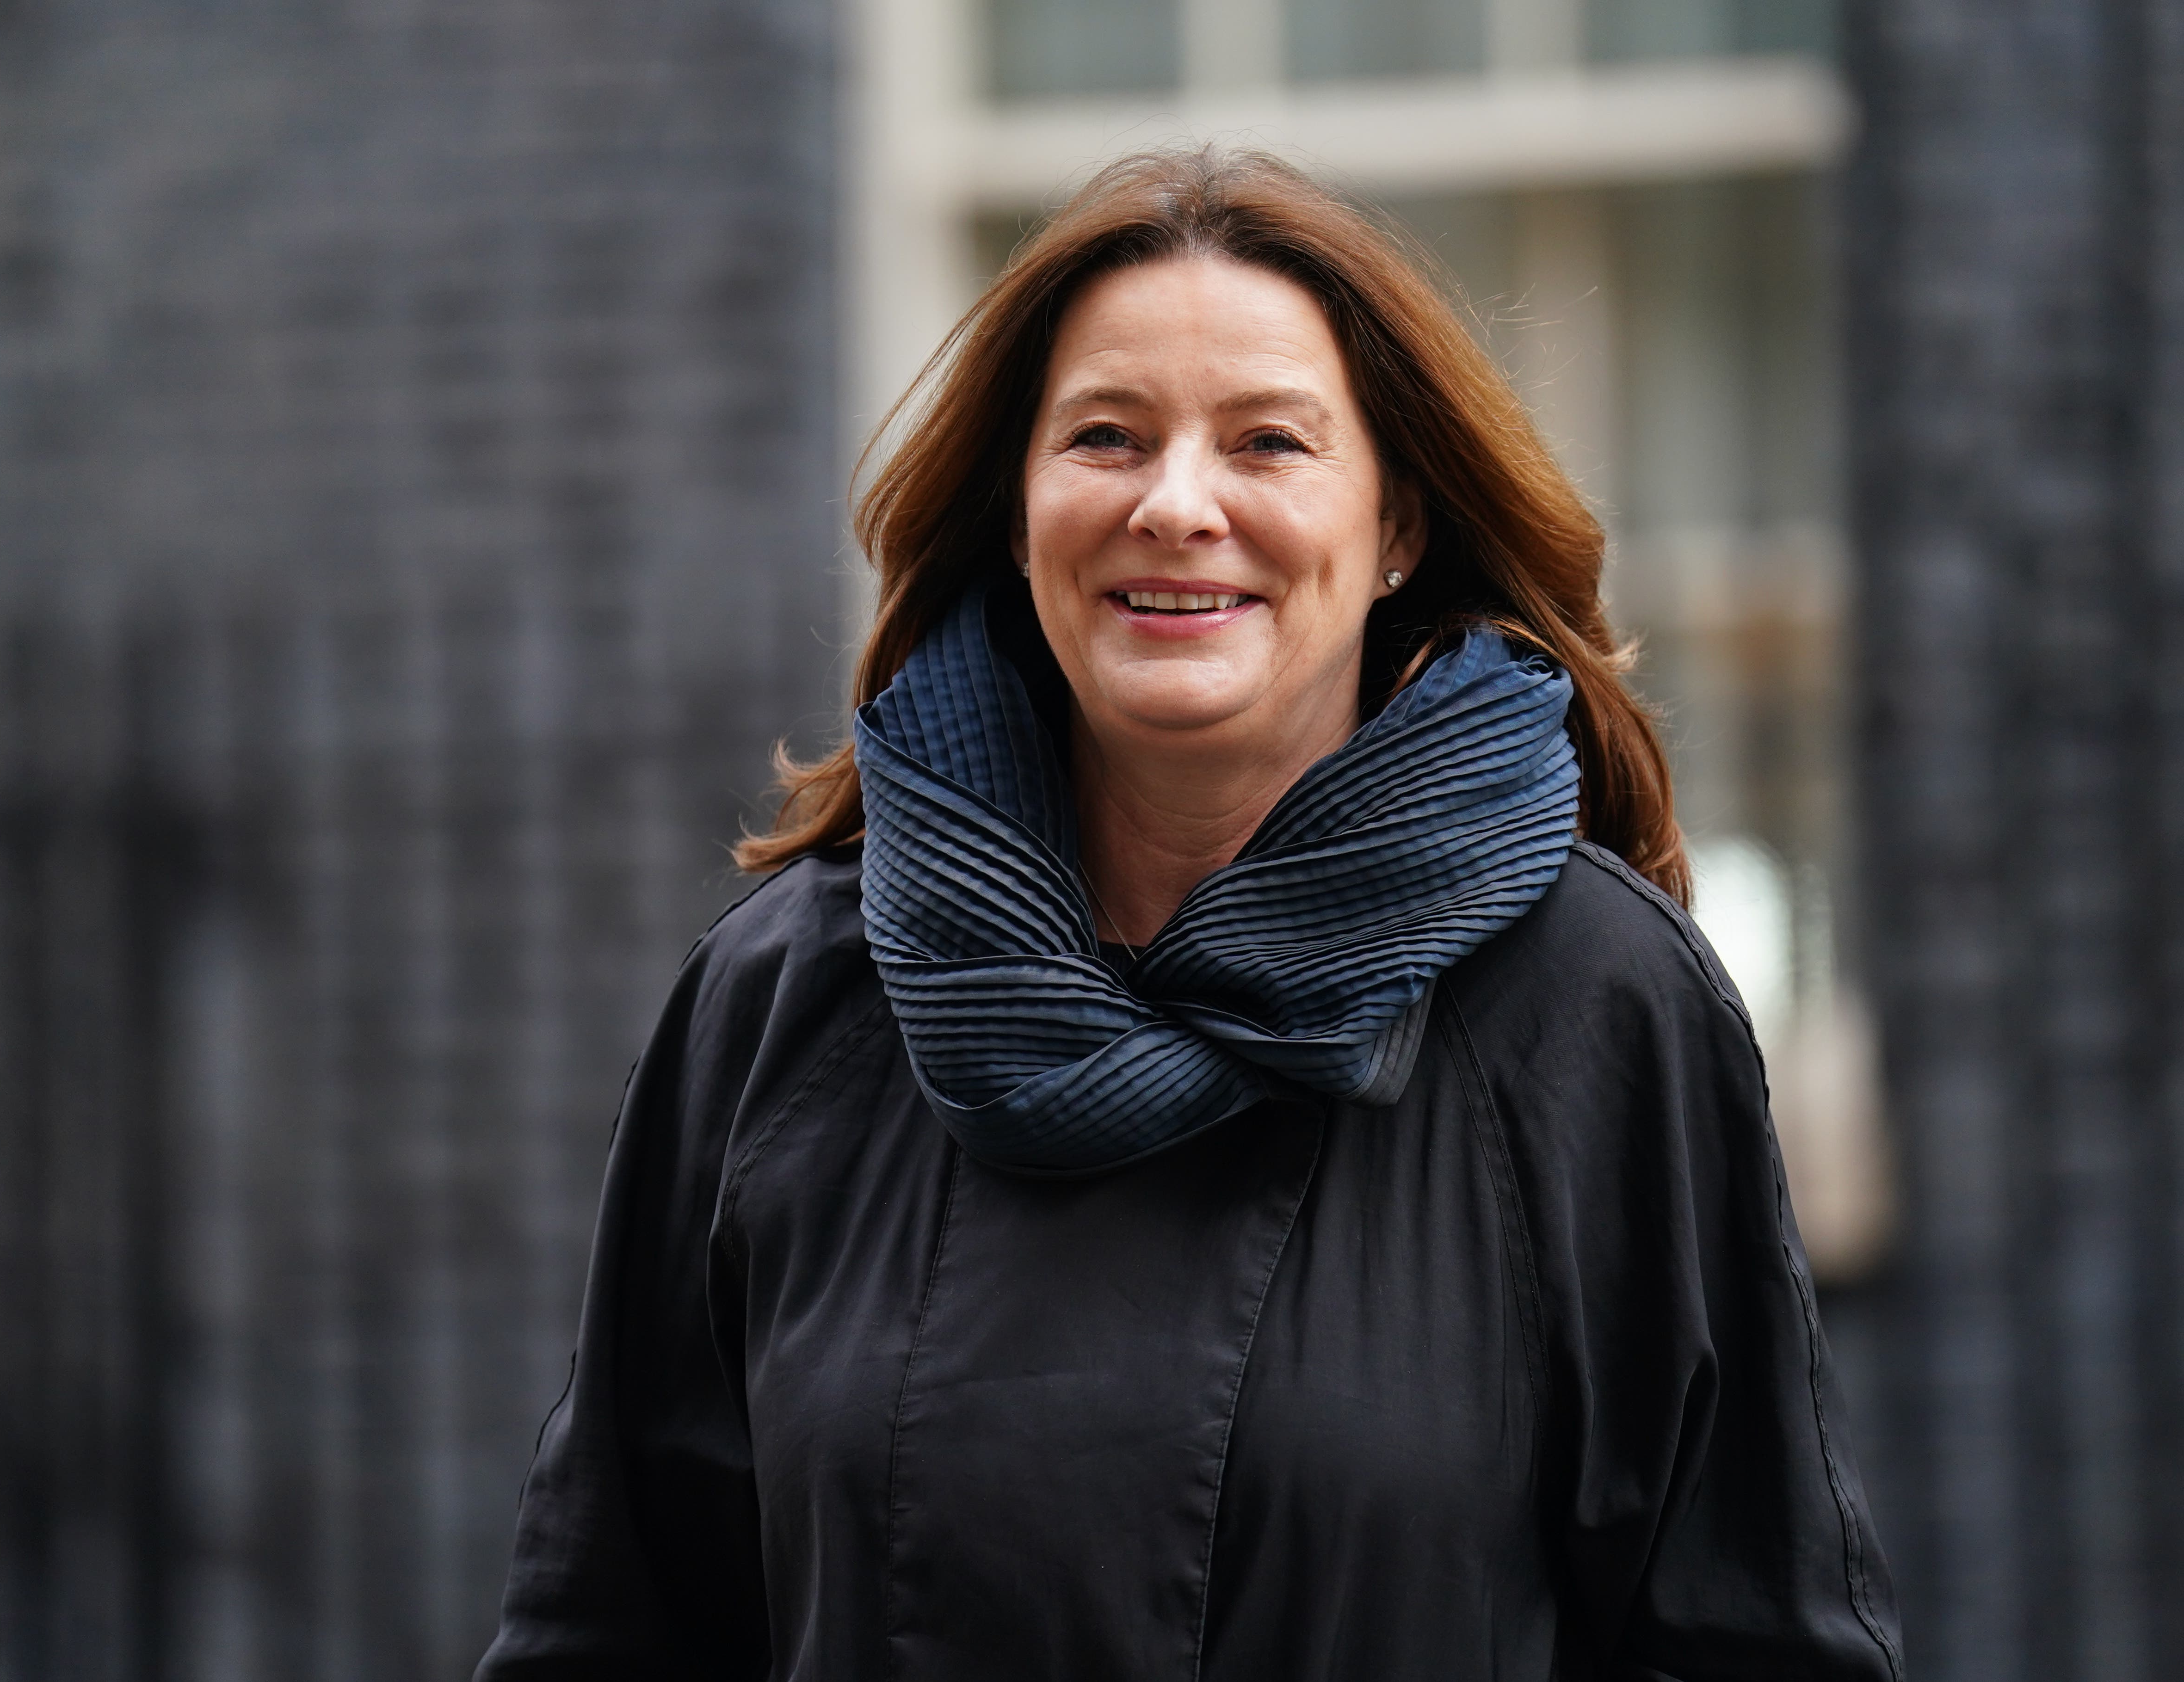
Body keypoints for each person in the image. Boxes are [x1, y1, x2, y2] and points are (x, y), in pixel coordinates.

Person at [475, 148, 1902, 1681]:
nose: (1175, 504)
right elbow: (607, 1631)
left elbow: (1755, 1641)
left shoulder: (1594, 1003)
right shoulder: (786, 1002)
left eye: (1268, 443)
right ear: (1020, 519)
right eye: (1106, 436)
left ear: (1398, 528)